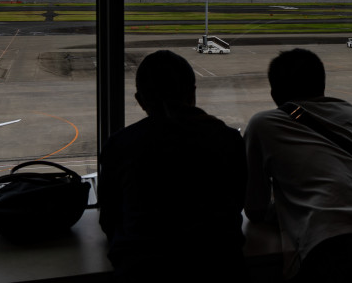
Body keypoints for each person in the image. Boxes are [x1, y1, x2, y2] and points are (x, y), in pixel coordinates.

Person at [244, 48, 352, 281]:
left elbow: (254, 208)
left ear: (274, 93)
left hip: (327, 241)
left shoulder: (263, 123)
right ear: (322, 84)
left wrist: (286, 205)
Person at [99, 50, 247, 282]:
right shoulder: (227, 139)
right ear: (193, 93)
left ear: (140, 100)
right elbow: (237, 202)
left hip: (142, 271)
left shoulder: (119, 145)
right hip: (221, 269)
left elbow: (109, 221)